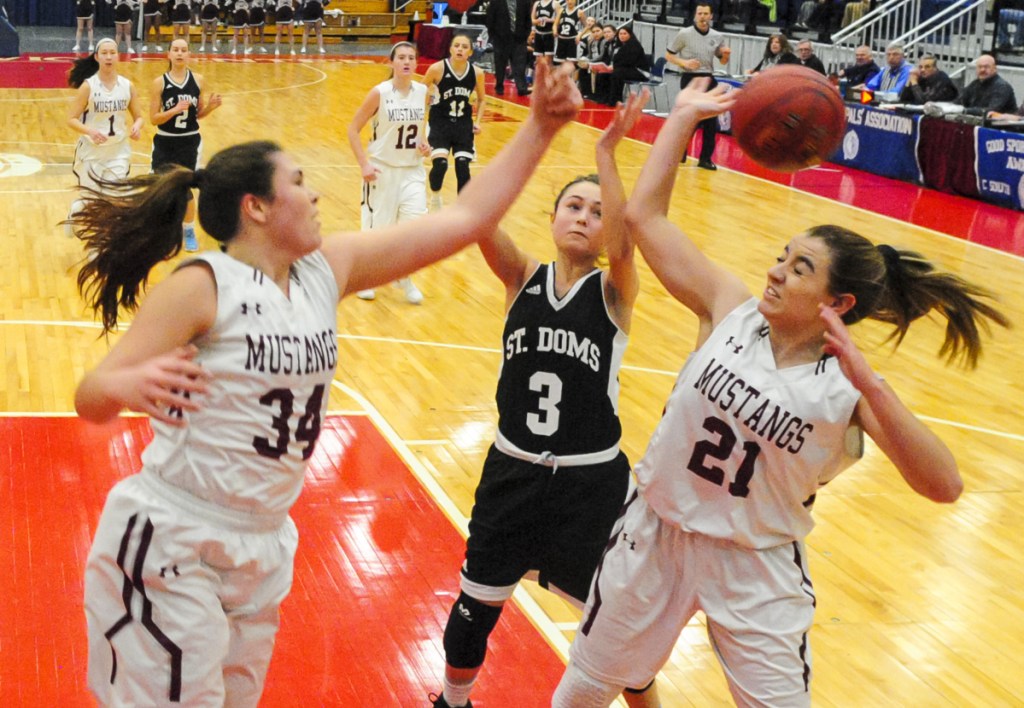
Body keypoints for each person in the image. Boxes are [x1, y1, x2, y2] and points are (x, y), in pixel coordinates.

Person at [71, 59, 582, 707]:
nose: (316, 196)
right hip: (174, 537)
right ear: (256, 208)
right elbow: (91, 394)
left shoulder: (324, 270)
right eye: (300, 182)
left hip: (262, 542)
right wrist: (127, 383)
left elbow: (463, 222)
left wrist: (540, 126)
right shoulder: (202, 285)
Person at [551, 78, 1009, 708]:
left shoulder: (848, 388)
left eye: (799, 269)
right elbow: (644, 218)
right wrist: (683, 118)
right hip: (654, 533)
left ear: (838, 303)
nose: (774, 271)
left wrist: (873, 386)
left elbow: (944, 485)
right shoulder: (728, 309)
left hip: (755, 563)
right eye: (780, 256)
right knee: (582, 691)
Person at [429, 90, 657, 708]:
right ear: (552, 219)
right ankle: (453, 701)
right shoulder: (519, 277)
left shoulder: (614, 290)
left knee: (620, 641)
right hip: (513, 470)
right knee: (472, 612)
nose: (583, 217)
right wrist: (521, 138)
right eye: (571, 206)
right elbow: (476, 218)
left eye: (594, 209)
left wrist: (606, 153)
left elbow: (627, 242)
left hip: (589, 484)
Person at [347, 41, 430, 304]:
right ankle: (364, 278)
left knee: (413, 230)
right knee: (377, 233)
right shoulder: (379, 93)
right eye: (401, 57)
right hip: (383, 171)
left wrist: (424, 144)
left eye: (411, 58)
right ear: (392, 62)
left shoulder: (423, 91)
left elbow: (419, 128)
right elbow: (353, 129)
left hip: (412, 171)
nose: (407, 62)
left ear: (417, 63)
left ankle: (404, 277)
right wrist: (364, 164)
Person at [150, 39, 223, 252]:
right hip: (165, 140)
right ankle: (163, 230)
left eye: (183, 50)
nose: (180, 53)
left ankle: (188, 230)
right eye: (176, 50)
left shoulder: (198, 80)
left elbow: (198, 114)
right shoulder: (159, 83)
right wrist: (173, 111)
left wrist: (211, 107)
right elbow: (154, 118)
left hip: (189, 141)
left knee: (184, 187)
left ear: (189, 54)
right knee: (161, 186)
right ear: (169, 54)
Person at [65, 38, 144, 235]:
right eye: (105, 53)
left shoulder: (127, 86)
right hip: (92, 152)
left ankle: (97, 247)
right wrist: (90, 131)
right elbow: (71, 119)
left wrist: (136, 127)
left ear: (118, 56)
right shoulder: (88, 87)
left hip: (118, 151)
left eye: (112, 53)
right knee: (91, 201)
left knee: (113, 199)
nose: (109, 57)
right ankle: (76, 211)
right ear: (97, 57)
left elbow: (140, 117)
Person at [423, 34, 487, 210]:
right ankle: (435, 197)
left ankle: (462, 209)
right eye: (456, 45)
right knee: (441, 165)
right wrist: (428, 102)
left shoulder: (477, 73)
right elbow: (420, 91)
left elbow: (482, 99)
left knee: (462, 166)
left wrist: (478, 121)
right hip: (440, 122)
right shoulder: (437, 69)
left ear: (471, 52)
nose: (460, 49)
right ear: (450, 49)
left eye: (465, 46)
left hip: (463, 124)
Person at [664, 2, 730, 170]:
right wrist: (684, 62)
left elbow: (721, 60)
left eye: (705, 14)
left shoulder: (717, 36)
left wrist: (726, 56)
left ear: (711, 16)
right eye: (699, 13)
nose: (702, 17)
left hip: (708, 77)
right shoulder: (684, 34)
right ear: (695, 15)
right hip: (690, 79)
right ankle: (681, 151)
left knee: (710, 121)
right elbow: (669, 55)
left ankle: (705, 158)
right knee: (690, 119)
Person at [925, 54, 1018, 119]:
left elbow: (991, 111)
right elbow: (958, 102)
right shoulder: (975, 84)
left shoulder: (1002, 87)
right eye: (979, 67)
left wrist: (963, 111)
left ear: (995, 69)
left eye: (986, 67)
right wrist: (939, 106)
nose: (982, 70)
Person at [590, 24, 651, 106]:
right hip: (627, 69)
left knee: (617, 73)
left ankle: (615, 100)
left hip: (640, 71)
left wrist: (615, 67)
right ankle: (604, 97)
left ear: (630, 34)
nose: (622, 36)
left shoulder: (635, 45)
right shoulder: (620, 45)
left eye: (624, 34)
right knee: (604, 73)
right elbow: (615, 60)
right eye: (620, 34)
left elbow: (630, 62)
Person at [485, 0, 533, 97]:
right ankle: (499, 86)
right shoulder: (496, 2)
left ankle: (521, 88)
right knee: (500, 64)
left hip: (519, 39)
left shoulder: (525, 2)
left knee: (520, 64)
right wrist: (493, 37)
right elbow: (490, 19)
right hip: (501, 38)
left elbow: (528, 19)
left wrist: (525, 35)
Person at [552, 0, 583, 66]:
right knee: (559, 64)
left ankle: (570, 76)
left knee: (571, 64)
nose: (570, 1)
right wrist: (554, 31)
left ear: (575, 1)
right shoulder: (561, 11)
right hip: (561, 39)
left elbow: (586, 26)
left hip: (572, 40)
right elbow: (555, 24)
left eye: (572, 0)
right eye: (568, 0)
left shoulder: (579, 12)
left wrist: (580, 34)